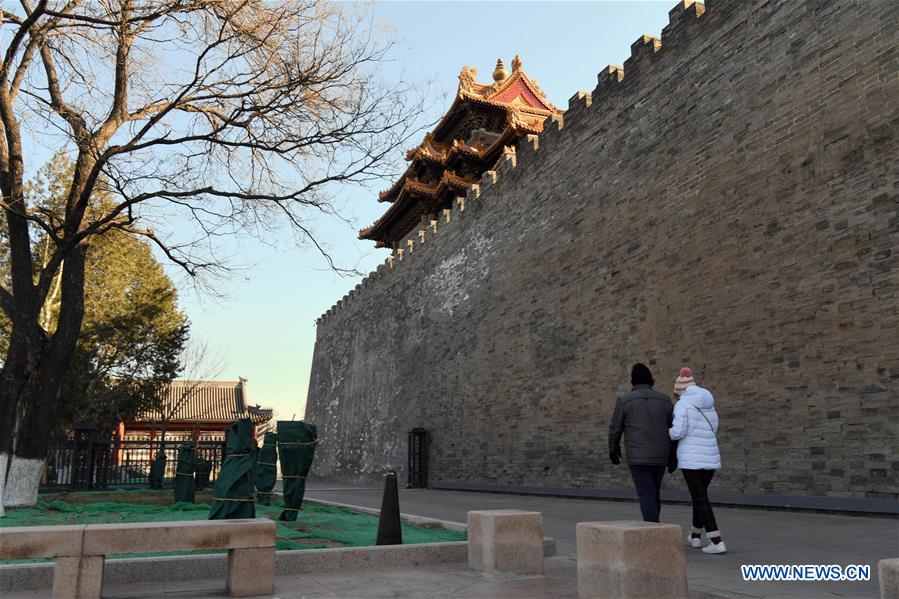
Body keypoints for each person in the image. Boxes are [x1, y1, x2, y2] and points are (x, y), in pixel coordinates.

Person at [669, 367, 727, 554]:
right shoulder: (708, 404)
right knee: (699, 497)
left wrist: (667, 433)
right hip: (710, 456)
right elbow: (714, 427)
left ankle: (716, 540)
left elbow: (679, 431)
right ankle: (695, 536)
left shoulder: (682, 405)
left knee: (700, 498)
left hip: (691, 458)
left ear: (680, 391)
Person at [608, 363, 674, 522]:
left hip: (638, 456)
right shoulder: (665, 400)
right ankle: (655, 526)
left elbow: (615, 428)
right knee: (654, 493)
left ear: (633, 382)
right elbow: (674, 429)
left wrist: (613, 449)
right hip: (660, 455)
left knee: (646, 495)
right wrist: (673, 456)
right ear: (651, 381)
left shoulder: (625, 400)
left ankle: (653, 531)